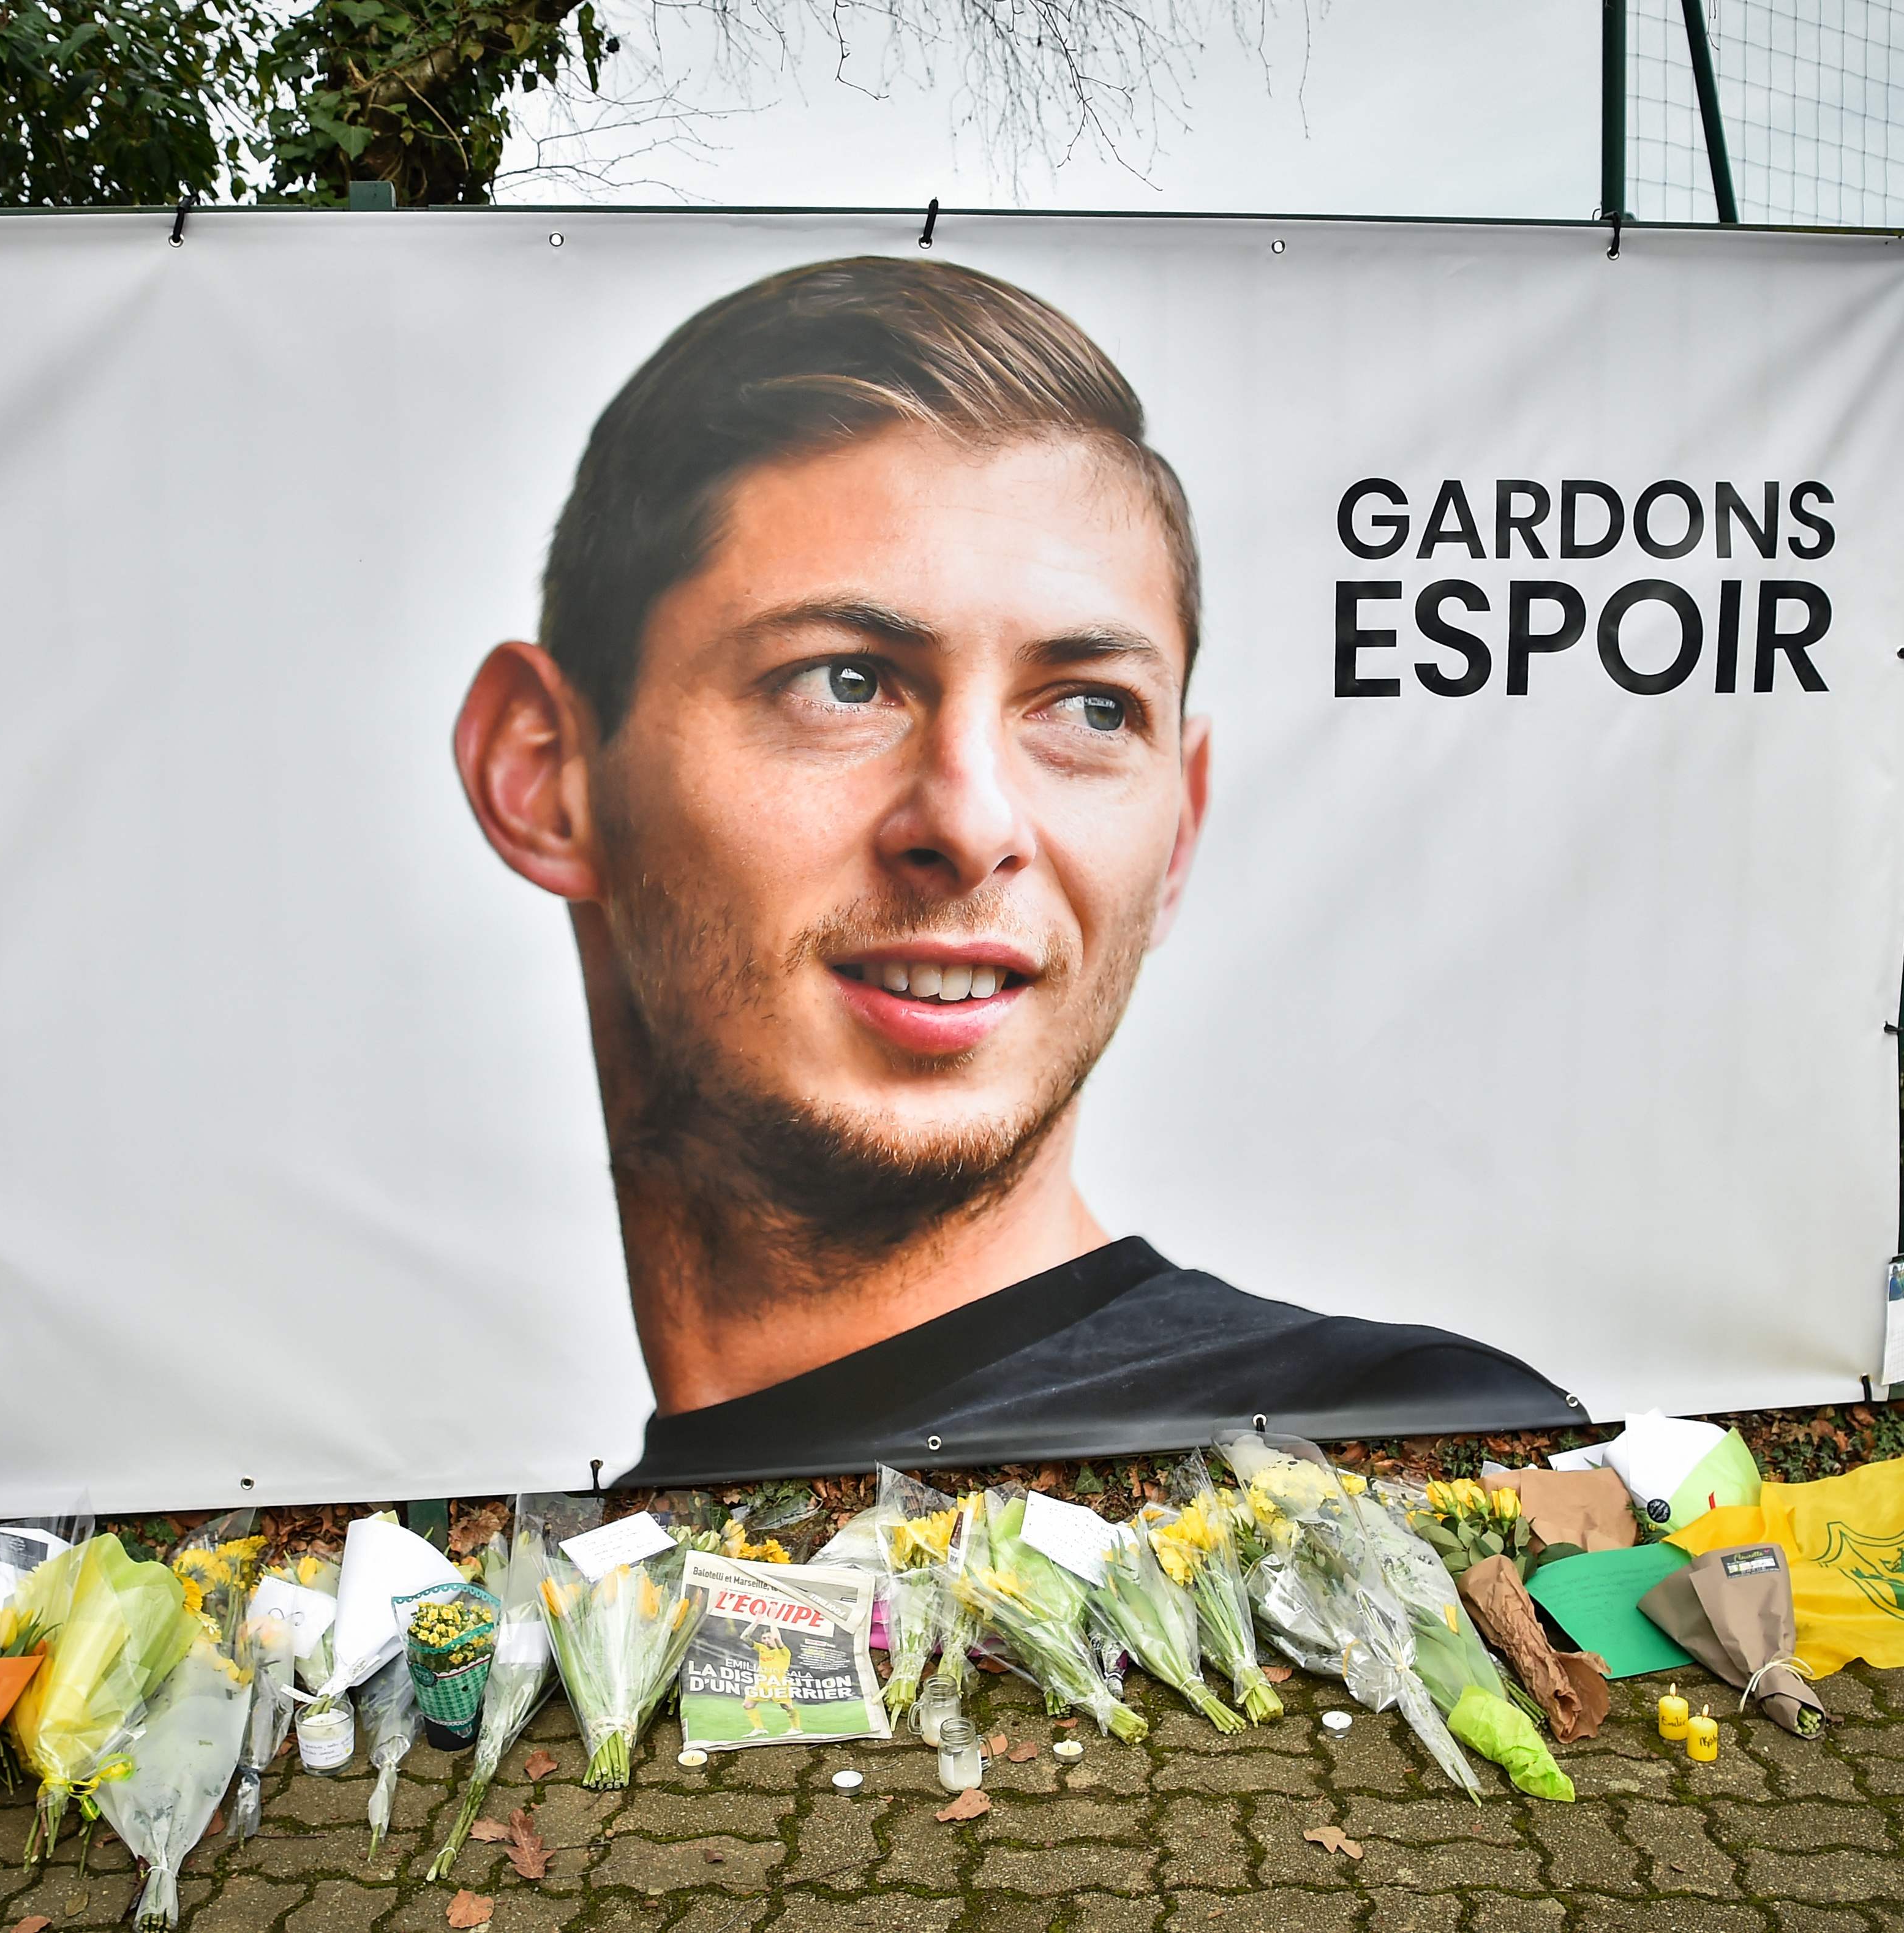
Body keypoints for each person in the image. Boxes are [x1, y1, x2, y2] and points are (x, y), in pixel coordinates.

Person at [453, 255, 1581, 1485]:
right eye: (843, 681)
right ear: (544, 772)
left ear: (1178, 833)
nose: (973, 823)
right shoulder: (574, 1583)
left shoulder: (1403, 1451)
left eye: (1091, 711)